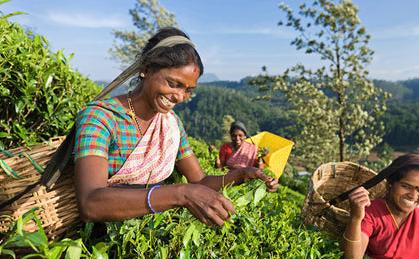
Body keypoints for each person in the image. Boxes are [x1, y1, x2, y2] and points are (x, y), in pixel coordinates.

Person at [74, 27, 279, 226]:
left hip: (145, 238)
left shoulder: (170, 124)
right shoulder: (101, 118)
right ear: (146, 69)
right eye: (173, 84)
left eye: (188, 90)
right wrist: (179, 194)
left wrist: (242, 175)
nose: (180, 97)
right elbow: (90, 203)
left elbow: (199, 180)